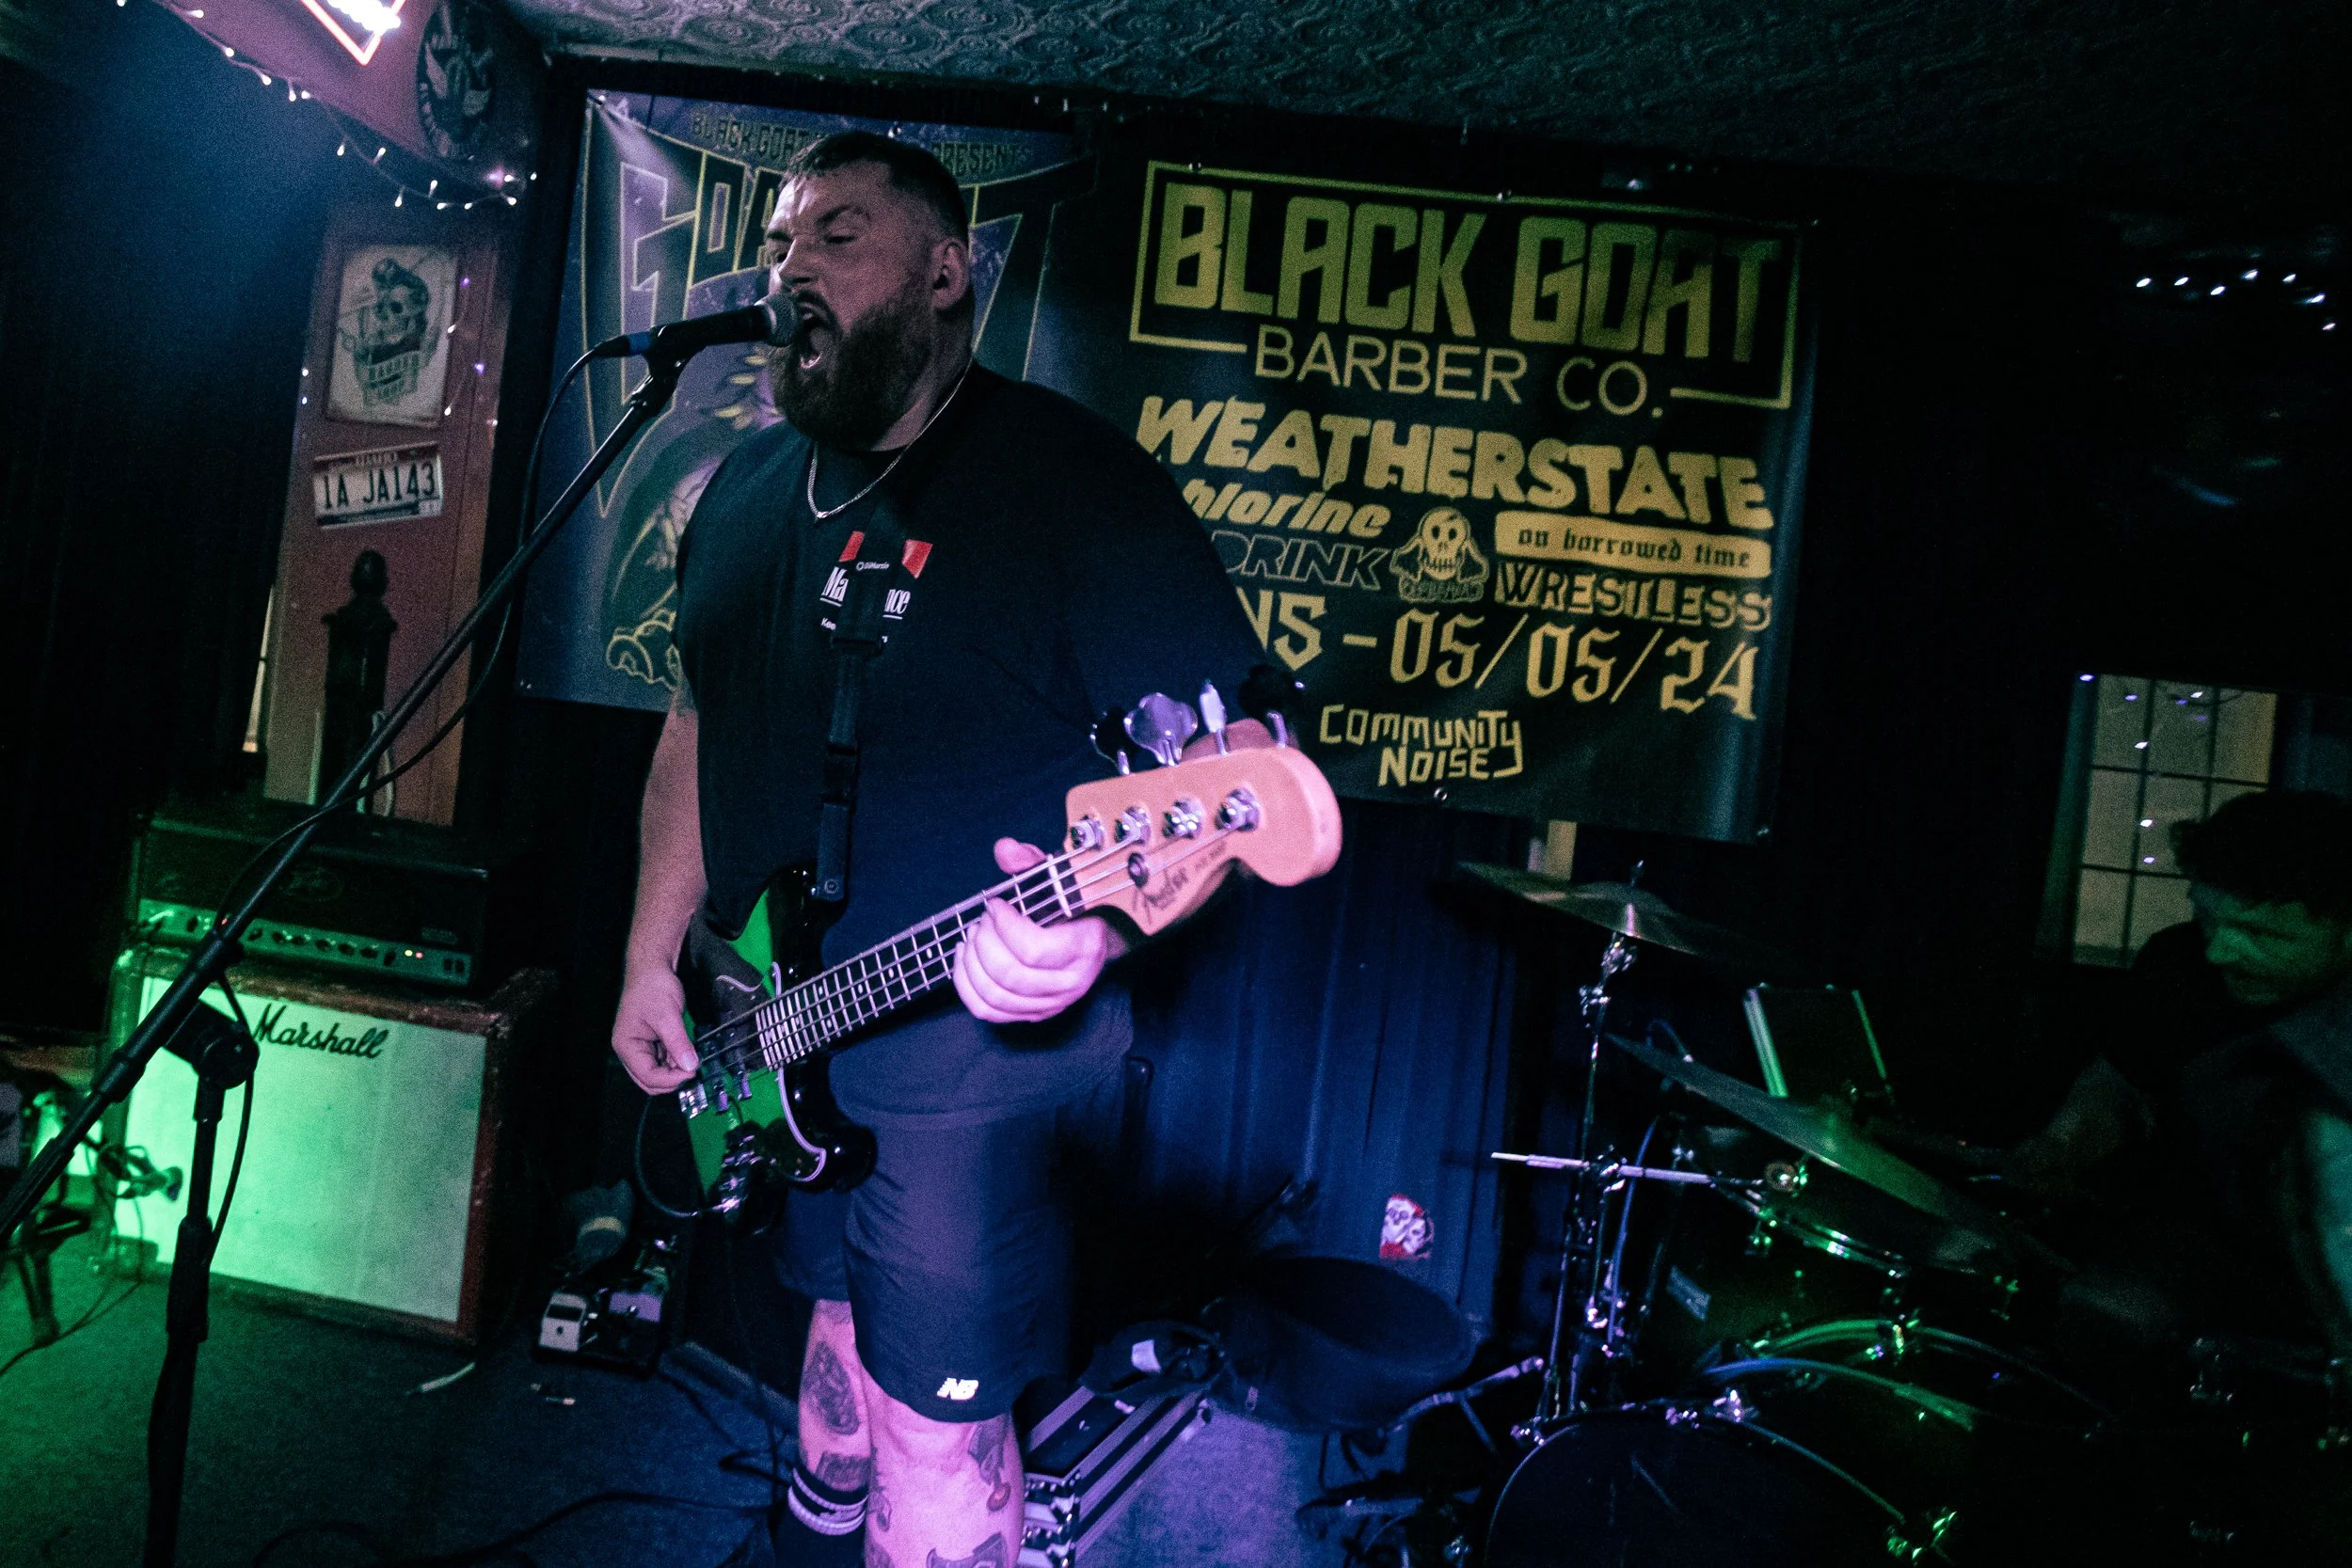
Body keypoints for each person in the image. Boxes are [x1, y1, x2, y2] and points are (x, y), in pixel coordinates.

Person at [609, 133, 1264, 1568]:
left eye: (837, 234)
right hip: (782, 1022)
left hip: (968, 1062)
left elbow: (1223, 765)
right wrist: (653, 953)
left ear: (946, 271)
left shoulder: (1071, 481)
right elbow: (695, 728)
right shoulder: (738, 491)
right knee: (835, 1351)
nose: (792, 265)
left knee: (934, 1432)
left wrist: (1100, 928)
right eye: (780, 242)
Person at [2010, 789, 2352, 1351]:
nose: (2219, 952)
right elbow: (2121, 1080)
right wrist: (2060, 1145)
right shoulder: (2178, 962)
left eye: (2263, 934)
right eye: (2208, 918)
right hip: (2187, 1237)